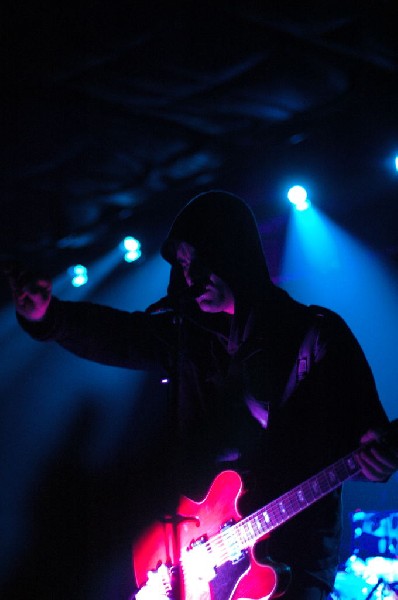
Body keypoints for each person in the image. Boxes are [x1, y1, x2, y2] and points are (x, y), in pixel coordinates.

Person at [5, 190, 398, 600]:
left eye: (200, 261)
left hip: (295, 563)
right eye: (185, 265)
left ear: (235, 254)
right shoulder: (187, 338)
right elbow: (120, 336)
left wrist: (380, 456)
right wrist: (50, 317)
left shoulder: (316, 336)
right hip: (205, 557)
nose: (191, 279)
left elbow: (372, 439)